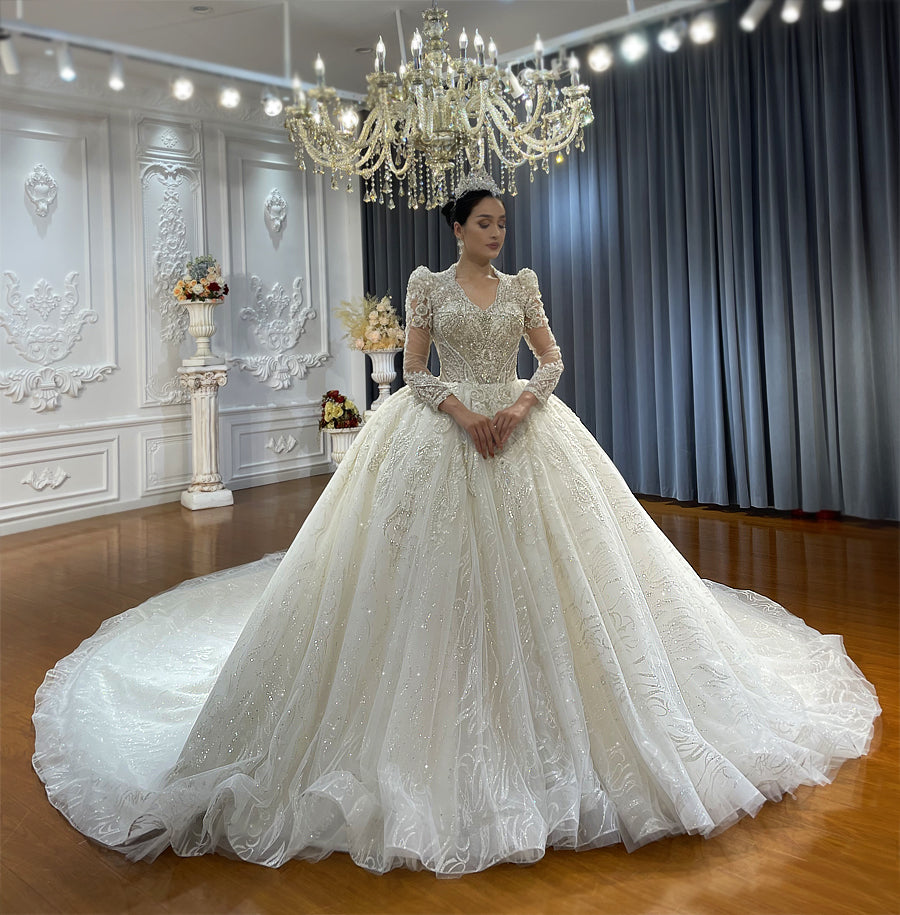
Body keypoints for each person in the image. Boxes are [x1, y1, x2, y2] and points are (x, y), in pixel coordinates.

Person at [33, 171, 880, 877]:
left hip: (522, 429)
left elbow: (551, 358)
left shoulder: (523, 286)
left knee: (557, 582)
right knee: (420, 584)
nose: (497, 233)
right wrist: (462, 412)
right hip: (442, 433)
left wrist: (518, 406)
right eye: (485, 222)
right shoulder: (427, 285)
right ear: (457, 228)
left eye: (503, 222)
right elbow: (411, 369)